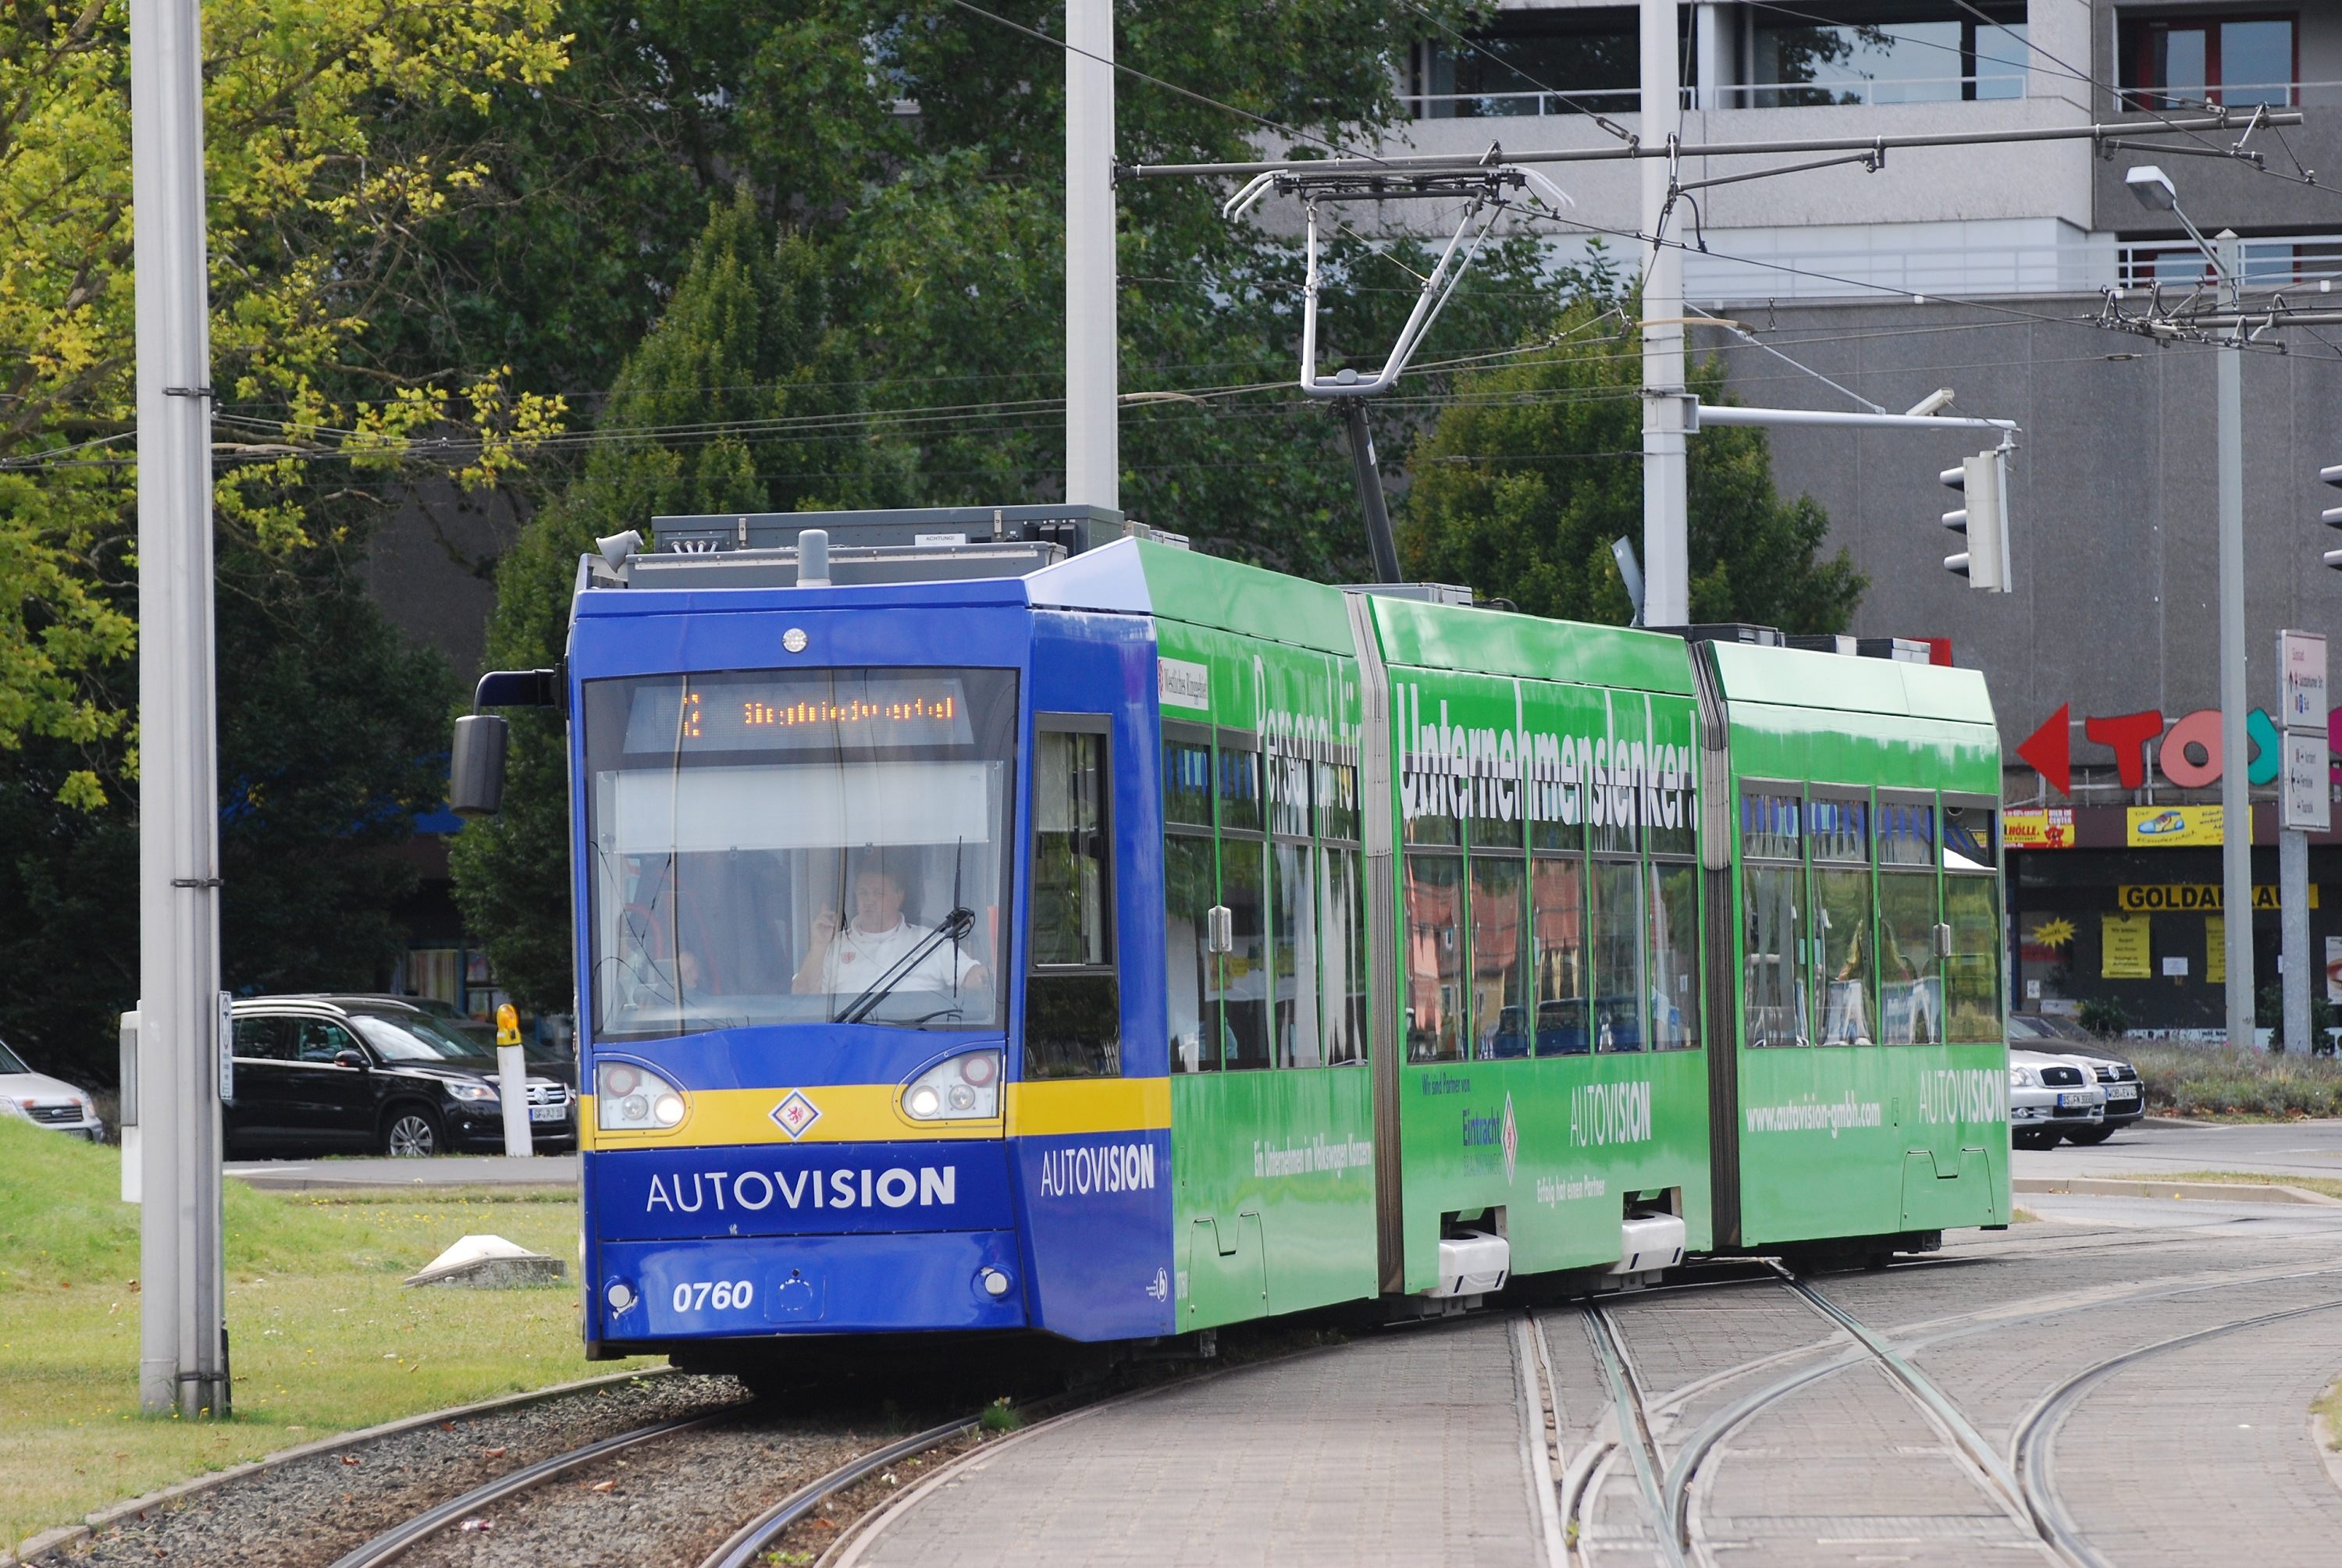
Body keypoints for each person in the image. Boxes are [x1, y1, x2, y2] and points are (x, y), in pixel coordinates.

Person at [792, 863, 988, 999]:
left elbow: (971, 976)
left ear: (898, 897)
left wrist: (986, 977)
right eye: (863, 893)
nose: (868, 900)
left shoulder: (931, 941)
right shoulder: (834, 945)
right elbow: (801, 999)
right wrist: (819, 945)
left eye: (878, 893)